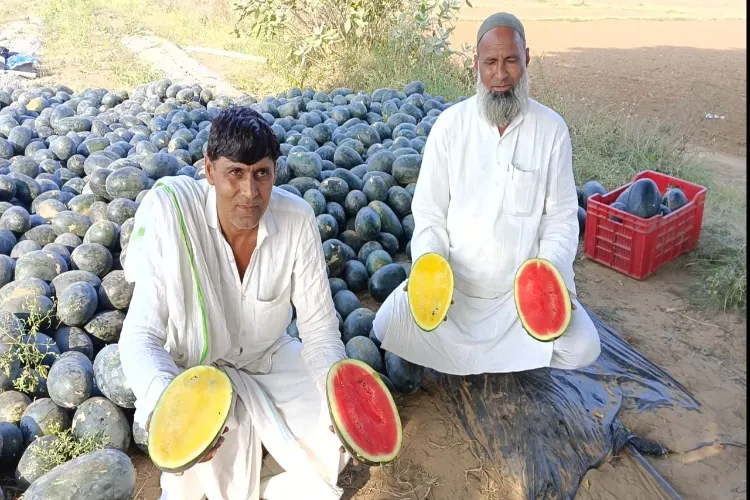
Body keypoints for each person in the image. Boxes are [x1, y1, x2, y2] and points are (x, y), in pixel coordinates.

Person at [119, 106, 352, 500]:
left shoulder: (297, 219)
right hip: (197, 366)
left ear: (275, 171)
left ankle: (266, 488)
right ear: (209, 171)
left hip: (268, 356)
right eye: (236, 174)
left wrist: (335, 395)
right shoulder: (175, 217)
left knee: (335, 441)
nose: (250, 192)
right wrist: (167, 403)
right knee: (191, 475)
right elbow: (140, 337)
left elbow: (319, 328)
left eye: (261, 173)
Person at [372, 12, 601, 375]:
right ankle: (509, 357)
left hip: (517, 299)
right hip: (456, 295)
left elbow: (561, 219)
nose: (501, 74)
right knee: (385, 325)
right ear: (475, 64)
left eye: (511, 60)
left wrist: (548, 279)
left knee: (585, 346)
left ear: (527, 58)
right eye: (491, 62)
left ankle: (495, 353)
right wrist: (431, 270)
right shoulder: (450, 127)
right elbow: (429, 212)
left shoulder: (552, 130)